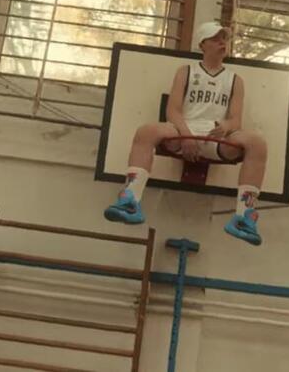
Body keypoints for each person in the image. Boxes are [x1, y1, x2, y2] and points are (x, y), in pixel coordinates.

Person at [103, 21, 268, 246]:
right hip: (184, 129)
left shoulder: (235, 80)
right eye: (215, 38)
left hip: (215, 136)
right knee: (146, 131)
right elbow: (173, 111)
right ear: (203, 44)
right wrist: (187, 135)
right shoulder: (186, 71)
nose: (222, 42)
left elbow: (236, 120)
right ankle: (130, 199)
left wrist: (226, 126)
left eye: (224, 38)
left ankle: (244, 216)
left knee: (257, 143)